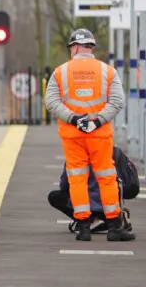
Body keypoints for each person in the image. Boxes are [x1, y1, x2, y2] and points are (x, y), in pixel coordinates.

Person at [45, 28, 135, 241]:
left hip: (72, 134)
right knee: (106, 177)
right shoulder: (108, 72)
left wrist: (75, 119)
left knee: (77, 178)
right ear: (91, 47)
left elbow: (51, 102)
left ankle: (84, 226)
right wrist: (97, 120)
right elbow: (117, 101)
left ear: (75, 47)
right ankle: (114, 226)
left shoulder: (60, 72)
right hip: (99, 135)